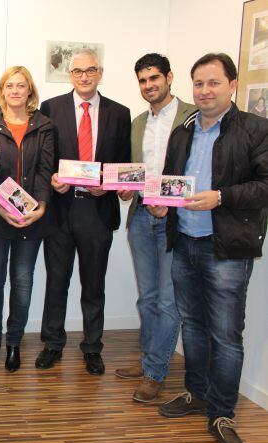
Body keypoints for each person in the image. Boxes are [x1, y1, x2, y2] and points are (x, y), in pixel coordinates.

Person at [154, 53, 268, 443]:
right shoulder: (184, 131)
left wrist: (221, 198)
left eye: (213, 83)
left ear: (232, 85)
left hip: (227, 248)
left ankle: (222, 414)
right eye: (198, 84)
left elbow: (264, 186)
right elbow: (170, 178)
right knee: (194, 327)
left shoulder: (256, 129)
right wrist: (161, 202)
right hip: (185, 241)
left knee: (225, 336)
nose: (204, 91)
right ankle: (196, 394)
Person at [38, 48, 131, 375]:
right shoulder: (50, 108)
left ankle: (92, 346)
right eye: (78, 71)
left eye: (91, 70)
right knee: (56, 282)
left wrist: (107, 184)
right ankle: (52, 343)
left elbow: (123, 163)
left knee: (94, 285)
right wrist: (51, 180)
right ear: (70, 74)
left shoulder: (120, 113)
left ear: (100, 72)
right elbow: (44, 158)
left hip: (97, 211)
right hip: (62, 210)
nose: (85, 76)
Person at [114, 53, 196, 402]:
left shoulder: (193, 116)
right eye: (143, 81)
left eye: (154, 79)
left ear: (169, 78)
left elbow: (199, 171)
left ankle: (155, 372)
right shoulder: (136, 123)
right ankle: (149, 359)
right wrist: (124, 187)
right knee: (147, 298)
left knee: (167, 300)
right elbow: (135, 170)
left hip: (176, 221)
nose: (149, 86)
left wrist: (172, 202)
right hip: (142, 217)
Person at [0, 66, 56, 373]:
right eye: (10, 86)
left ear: (30, 91)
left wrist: (41, 206)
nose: (16, 91)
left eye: (21, 86)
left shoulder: (44, 125)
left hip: (32, 217)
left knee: (22, 283)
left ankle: (14, 344)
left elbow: (47, 170)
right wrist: (0, 206)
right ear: (2, 90)